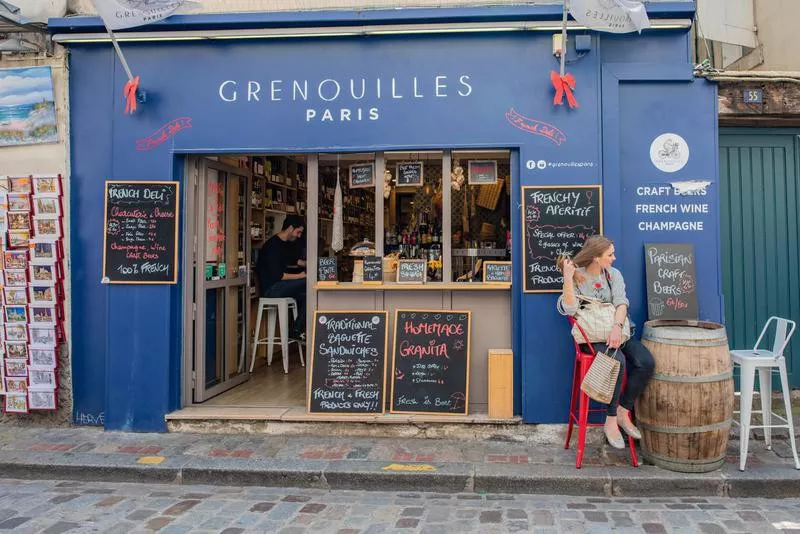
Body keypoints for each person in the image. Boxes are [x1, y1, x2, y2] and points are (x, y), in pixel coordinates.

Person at [556, 235, 655, 450]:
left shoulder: (613, 275)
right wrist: (567, 278)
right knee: (616, 360)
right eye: (609, 254)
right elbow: (571, 309)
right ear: (596, 257)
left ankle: (622, 409)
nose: (614, 257)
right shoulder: (578, 277)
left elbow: (621, 304)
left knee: (645, 362)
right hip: (593, 336)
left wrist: (617, 328)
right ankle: (610, 420)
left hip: (615, 330)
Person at [256, 215, 307, 341]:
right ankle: (296, 329)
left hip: (278, 286)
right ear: (290, 228)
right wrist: (301, 276)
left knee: (308, 296)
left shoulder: (284, 244)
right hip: (271, 289)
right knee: (308, 282)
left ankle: (296, 329)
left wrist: (308, 263)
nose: (299, 236)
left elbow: (294, 260)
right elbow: (277, 275)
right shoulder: (273, 246)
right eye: (298, 232)